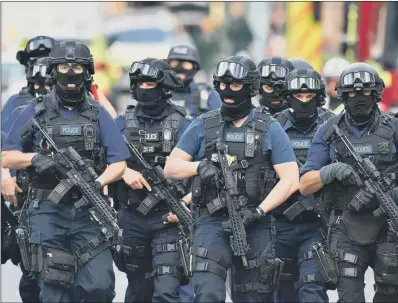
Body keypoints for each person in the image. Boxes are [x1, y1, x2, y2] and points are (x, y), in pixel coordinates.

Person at [2, 40, 129, 303]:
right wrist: (34, 158)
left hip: (89, 212)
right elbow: (7, 156)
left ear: (88, 72)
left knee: (100, 287)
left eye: (77, 67)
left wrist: (97, 182)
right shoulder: (34, 111)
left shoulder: (98, 114)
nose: (70, 73)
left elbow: (120, 163)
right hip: (47, 212)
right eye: (63, 66)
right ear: (53, 71)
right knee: (54, 290)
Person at [164, 55, 299, 302]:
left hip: (254, 224)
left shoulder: (269, 127)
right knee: (208, 293)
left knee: (252, 296)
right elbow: (171, 167)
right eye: (223, 85)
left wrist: (259, 211)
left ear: (250, 88)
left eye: (236, 86)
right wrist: (199, 166)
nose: (228, 91)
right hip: (211, 222)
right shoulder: (204, 124)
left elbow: (290, 179)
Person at [300, 62, 398, 302]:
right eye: (352, 92)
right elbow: (304, 184)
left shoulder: (393, 128)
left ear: (375, 93)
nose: (359, 97)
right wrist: (331, 171)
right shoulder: (329, 131)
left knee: (390, 294)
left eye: (365, 91)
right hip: (347, 227)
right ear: (343, 95)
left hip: (388, 225)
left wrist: (392, 192)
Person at [110, 58, 193, 303]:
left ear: (163, 86)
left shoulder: (183, 125)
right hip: (132, 216)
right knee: (138, 292)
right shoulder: (121, 123)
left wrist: (188, 203)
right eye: (140, 84)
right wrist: (124, 172)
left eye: (150, 83)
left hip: (169, 218)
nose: (144, 89)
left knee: (167, 292)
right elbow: (102, 160)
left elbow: (204, 170)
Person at [272, 68, 333, 302]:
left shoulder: (332, 126)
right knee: (279, 289)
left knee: (312, 289)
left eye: (310, 97)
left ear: (319, 97)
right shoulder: (272, 127)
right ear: (289, 97)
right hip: (278, 223)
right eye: (299, 96)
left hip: (317, 223)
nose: (304, 102)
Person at [2, 36, 56, 123]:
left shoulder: (67, 101)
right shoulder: (15, 102)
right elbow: (4, 133)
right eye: (35, 61)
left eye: (47, 60)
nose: (41, 66)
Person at [167, 44, 221, 117]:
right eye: (174, 63)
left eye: (185, 64)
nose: (179, 68)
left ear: (195, 67)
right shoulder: (157, 94)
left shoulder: (207, 95)